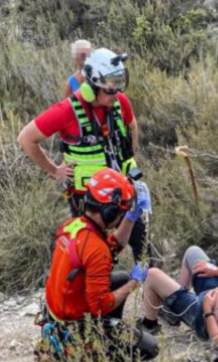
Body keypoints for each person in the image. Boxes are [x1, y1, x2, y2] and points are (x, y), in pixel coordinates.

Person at [18, 47, 149, 263]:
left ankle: (147, 281)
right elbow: (26, 138)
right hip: (88, 200)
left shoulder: (120, 102)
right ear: (92, 87)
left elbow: (132, 124)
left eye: (119, 84)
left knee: (142, 244)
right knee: (89, 254)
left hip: (122, 190)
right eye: (110, 88)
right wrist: (54, 171)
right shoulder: (66, 111)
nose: (116, 93)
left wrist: (130, 155)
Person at [40, 168, 157, 362]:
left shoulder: (73, 226)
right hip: (75, 327)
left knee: (120, 278)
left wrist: (131, 217)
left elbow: (110, 247)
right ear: (109, 211)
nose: (122, 216)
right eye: (121, 212)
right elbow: (101, 305)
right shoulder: (95, 249)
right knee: (150, 348)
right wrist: (135, 283)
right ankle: (92, 357)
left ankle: (102, 335)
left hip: (59, 313)